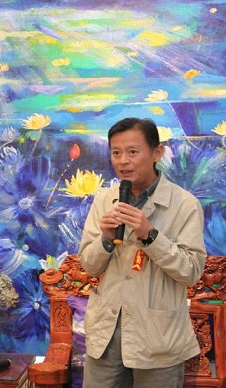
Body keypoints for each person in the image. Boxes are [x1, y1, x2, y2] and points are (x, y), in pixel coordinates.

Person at [78, 118, 206, 388]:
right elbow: (89, 266)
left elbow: (191, 271)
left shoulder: (185, 205)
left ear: (156, 153)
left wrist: (150, 236)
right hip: (107, 333)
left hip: (158, 337)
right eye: (116, 152)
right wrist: (106, 239)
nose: (123, 161)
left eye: (132, 152)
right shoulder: (105, 200)